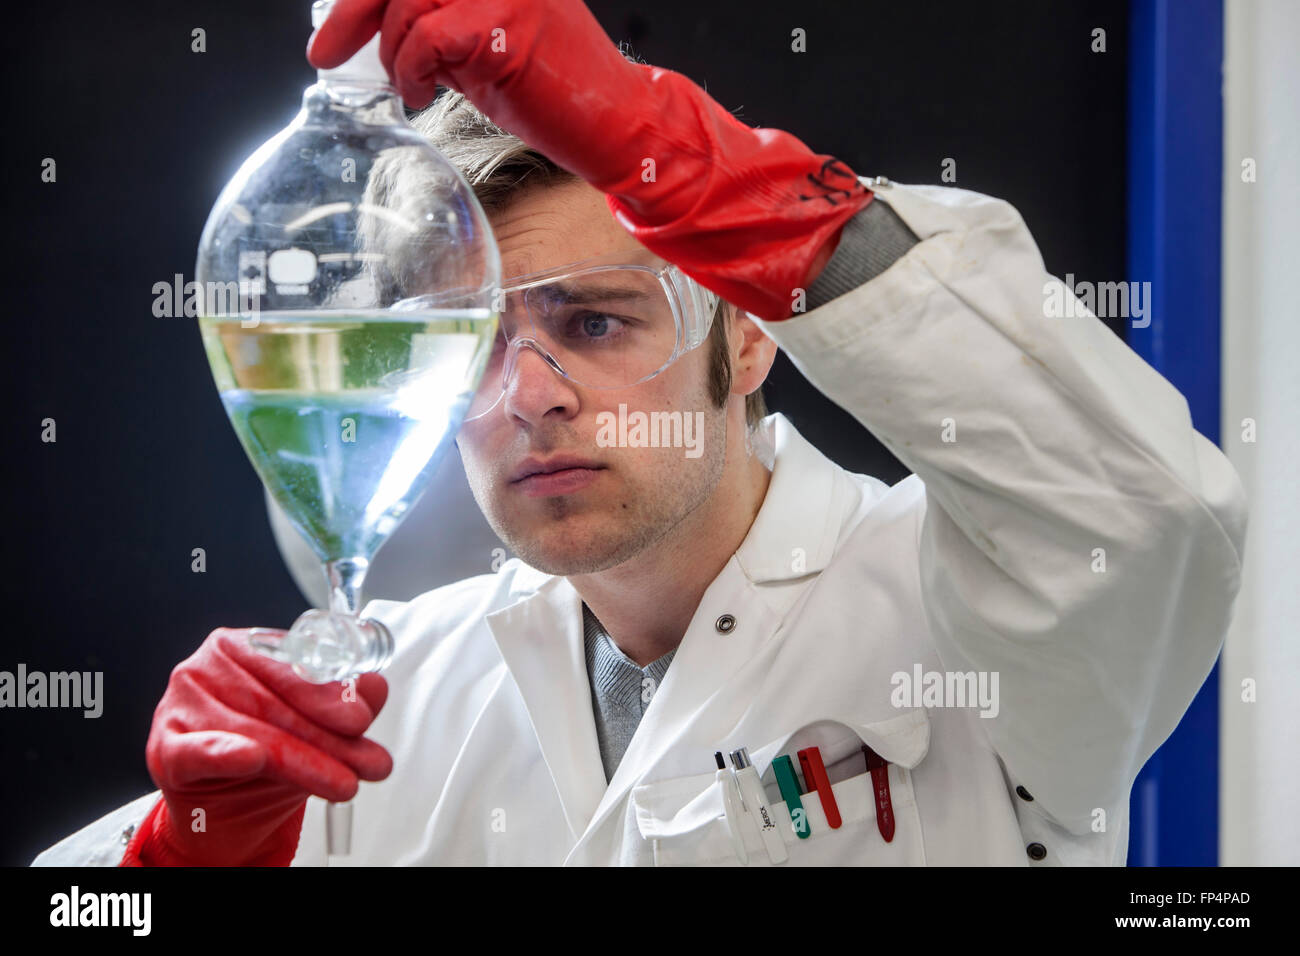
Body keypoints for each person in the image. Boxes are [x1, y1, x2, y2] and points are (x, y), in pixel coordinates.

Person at [34, 0, 1246, 866]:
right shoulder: (379, 692)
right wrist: (176, 854)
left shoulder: (962, 612)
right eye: (476, 343)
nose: (530, 392)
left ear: (751, 339)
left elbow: (1144, 508)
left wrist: (677, 157)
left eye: (598, 320)